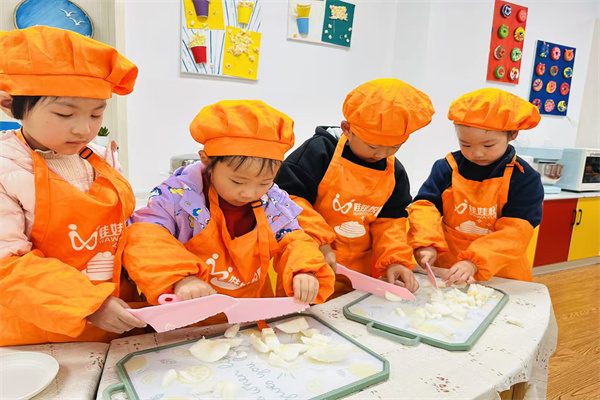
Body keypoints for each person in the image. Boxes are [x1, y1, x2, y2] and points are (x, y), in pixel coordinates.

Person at [0, 26, 146, 346]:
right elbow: (6, 264)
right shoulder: (7, 167)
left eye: (96, 114)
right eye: (65, 114)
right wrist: (88, 303)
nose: (83, 129)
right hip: (42, 334)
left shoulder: (102, 158)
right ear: (9, 104)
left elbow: (128, 231)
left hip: (118, 319)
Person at [123, 100, 335, 308]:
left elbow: (292, 239)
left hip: (250, 313)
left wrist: (304, 270)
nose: (250, 193)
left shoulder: (273, 200)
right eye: (238, 181)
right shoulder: (176, 197)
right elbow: (144, 236)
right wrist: (180, 278)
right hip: (188, 315)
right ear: (206, 160)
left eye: (264, 182)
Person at [275, 78, 435, 296]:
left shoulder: (395, 172)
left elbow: (390, 223)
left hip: (358, 273)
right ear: (347, 129)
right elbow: (288, 199)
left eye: (394, 147)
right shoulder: (319, 152)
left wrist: (395, 261)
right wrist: (320, 242)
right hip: (309, 264)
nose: (381, 154)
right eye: (372, 146)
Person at [408, 88, 543, 285]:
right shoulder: (447, 168)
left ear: (512, 134)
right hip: (448, 270)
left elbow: (515, 232)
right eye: (466, 145)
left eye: (488, 146)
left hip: (501, 274)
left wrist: (474, 261)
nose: (477, 153)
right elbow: (425, 207)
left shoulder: (524, 178)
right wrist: (426, 242)